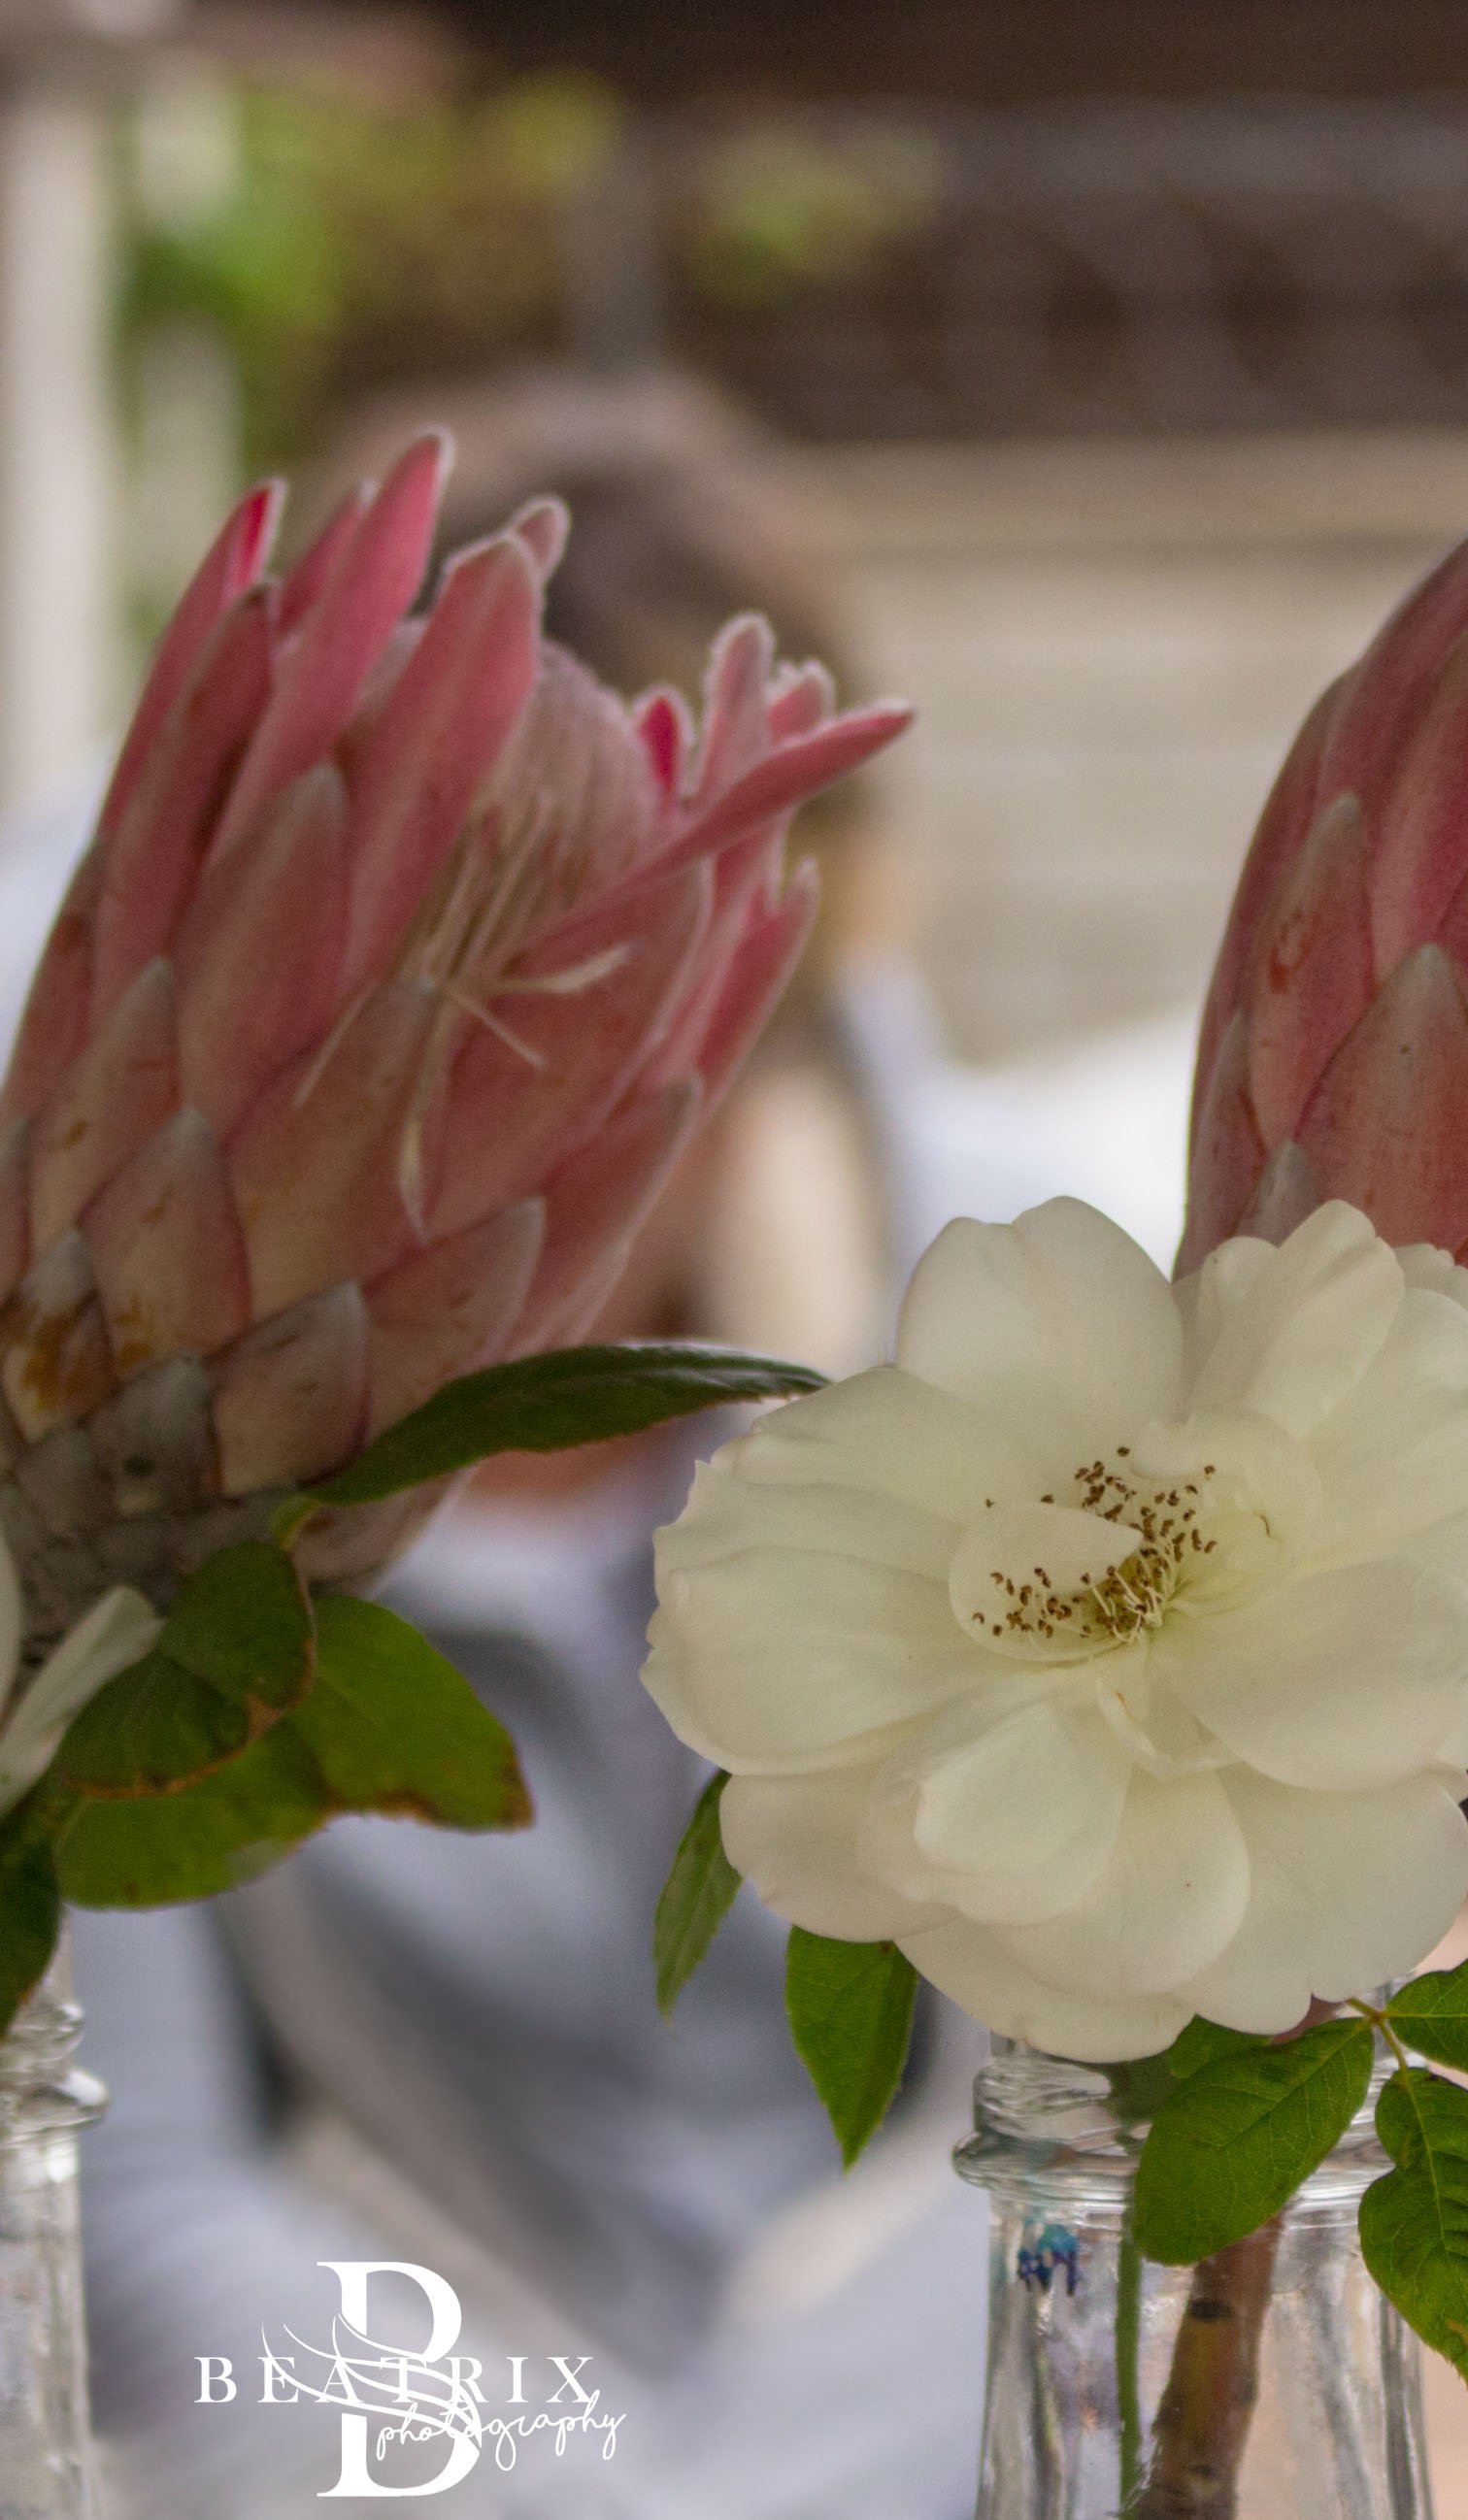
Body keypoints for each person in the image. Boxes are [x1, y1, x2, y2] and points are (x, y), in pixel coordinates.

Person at [75, 373, 995, 2520]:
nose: (515, 1105)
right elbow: (149, 2214)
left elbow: (1092, 2144)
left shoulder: (1029, 1337)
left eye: (634, 998)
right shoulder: (106, 1431)